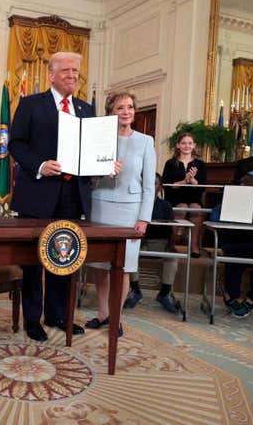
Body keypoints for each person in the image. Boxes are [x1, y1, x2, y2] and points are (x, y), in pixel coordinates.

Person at [8, 52, 95, 341]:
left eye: (76, 70)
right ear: (51, 75)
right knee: (34, 259)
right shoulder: (31, 104)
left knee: (65, 256)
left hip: (73, 195)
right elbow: (16, 145)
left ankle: (58, 314)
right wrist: (41, 165)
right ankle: (33, 319)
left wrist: (103, 164)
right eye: (67, 70)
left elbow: (91, 150)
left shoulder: (86, 109)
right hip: (37, 194)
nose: (73, 75)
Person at [85, 90, 156, 335]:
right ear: (111, 112)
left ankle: (116, 317)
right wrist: (103, 172)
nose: (126, 112)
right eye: (120, 108)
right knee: (99, 266)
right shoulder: (99, 138)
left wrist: (144, 218)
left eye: (130, 107)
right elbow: (88, 177)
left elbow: (149, 185)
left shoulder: (146, 141)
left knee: (123, 267)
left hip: (130, 212)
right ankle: (103, 313)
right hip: (100, 207)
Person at [210, 171, 253, 318]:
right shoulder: (232, 198)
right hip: (235, 242)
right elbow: (214, 216)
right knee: (235, 261)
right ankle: (230, 294)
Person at [127, 173, 180, 313]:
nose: (151, 186)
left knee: (173, 257)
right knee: (130, 253)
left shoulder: (166, 206)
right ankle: (135, 290)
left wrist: (171, 245)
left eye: (155, 183)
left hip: (161, 243)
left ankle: (164, 293)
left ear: (159, 187)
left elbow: (171, 229)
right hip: (141, 242)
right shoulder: (136, 204)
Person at [162, 132, 207, 258]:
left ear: (194, 145)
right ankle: (172, 243)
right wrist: (184, 181)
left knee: (196, 209)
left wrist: (192, 180)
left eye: (190, 143)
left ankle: (194, 246)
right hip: (175, 196)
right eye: (183, 143)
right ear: (178, 145)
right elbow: (167, 185)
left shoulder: (200, 164)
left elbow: (202, 187)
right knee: (181, 207)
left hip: (193, 196)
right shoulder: (170, 163)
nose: (187, 146)